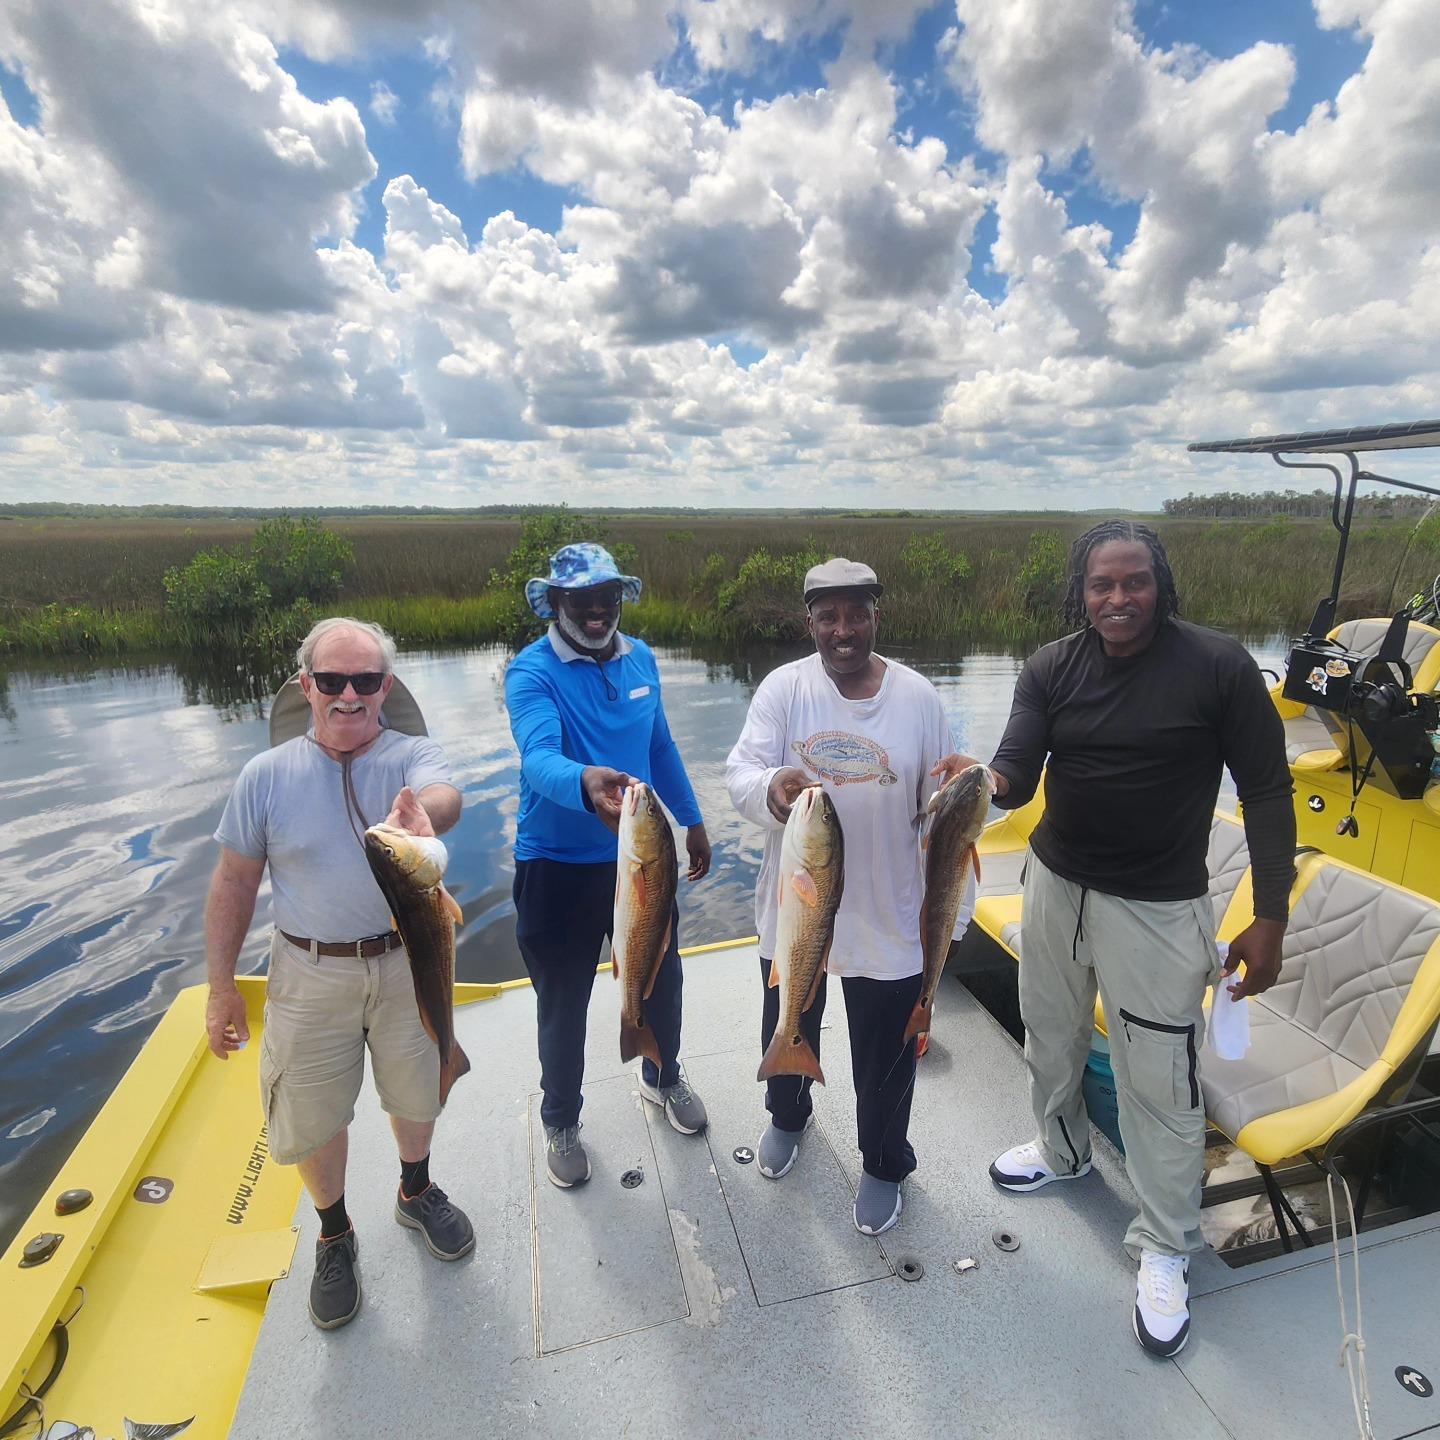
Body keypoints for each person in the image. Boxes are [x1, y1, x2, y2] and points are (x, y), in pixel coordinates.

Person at [976, 519, 1295, 1358]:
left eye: (1134, 582)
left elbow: (1266, 791)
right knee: (1051, 1034)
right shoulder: (1051, 664)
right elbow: (1016, 769)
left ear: (1161, 584)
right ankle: (1064, 1149)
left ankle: (1164, 1244)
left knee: (1160, 1077)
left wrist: (1270, 916)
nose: (1118, 600)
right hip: (1054, 886)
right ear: (1080, 591)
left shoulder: (1218, 666)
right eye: (1101, 586)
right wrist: (982, 781)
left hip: (1158, 907)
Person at [204, 617, 473, 1332]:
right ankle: (334, 1233)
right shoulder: (264, 775)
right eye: (332, 681)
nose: (349, 695)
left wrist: (425, 818)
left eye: (365, 680)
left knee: (418, 1083)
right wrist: (222, 985)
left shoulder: (412, 751)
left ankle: (415, 1191)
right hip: (306, 969)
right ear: (307, 686)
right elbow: (233, 882)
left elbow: (446, 793)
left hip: (406, 960)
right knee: (313, 1110)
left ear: (386, 686)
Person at [725, 558, 972, 1237]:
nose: (842, 630)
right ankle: (788, 1114)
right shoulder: (782, 689)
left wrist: (956, 912)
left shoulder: (918, 697)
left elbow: (942, 810)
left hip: (888, 910)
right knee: (789, 1012)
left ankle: (885, 1163)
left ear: (875, 616)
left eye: (855, 613)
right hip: (798, 906)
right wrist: (772, 787)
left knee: (885, 1052)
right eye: (827, 616)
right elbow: (741, 774)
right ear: (809, 621)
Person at [505, 542, 712, 1189]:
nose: (597, 612)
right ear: (557, 602)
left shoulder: (641, 657)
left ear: (621, 597)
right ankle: (561, 1119)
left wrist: (694, 818)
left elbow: (660, 745)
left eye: (607, 598)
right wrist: (584, 781)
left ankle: (662, 1075)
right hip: (558, 869)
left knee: (661, 981)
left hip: (644, 858)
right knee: (563, 1005)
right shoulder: (531, 672)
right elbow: (538, 757)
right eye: (581, 600)